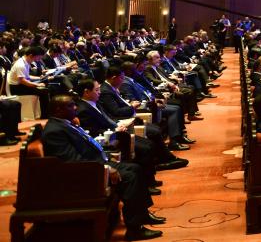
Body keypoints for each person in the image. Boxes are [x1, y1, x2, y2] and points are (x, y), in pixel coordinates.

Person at [43, 94, 165, 240]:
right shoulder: (54, 131)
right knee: (130, 176)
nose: (75, 107)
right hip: (85, 173)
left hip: (96, 163)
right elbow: (72, 161)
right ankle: (134, 229)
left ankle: (142, 215)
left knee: (135, 168)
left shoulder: (65, 123)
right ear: (58, 109)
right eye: (70, 105)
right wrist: (104, 168)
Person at [7, 45, 50, 115]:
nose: (38, 59)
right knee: (44, 91)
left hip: (21, 85)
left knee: (46, 84)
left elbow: (27, 76)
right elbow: (23, 81)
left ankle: (45, 112)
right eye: (38, 57)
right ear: (31, 55)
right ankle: (45, 115)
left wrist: (39, 78)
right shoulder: (20, 65)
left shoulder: (25, 62)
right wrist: (37, 85)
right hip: (17, 88)